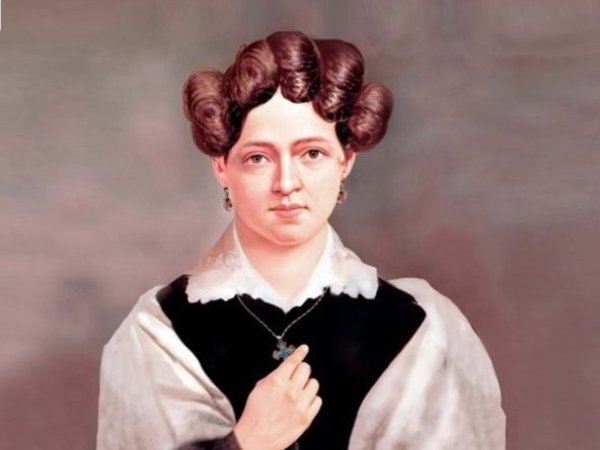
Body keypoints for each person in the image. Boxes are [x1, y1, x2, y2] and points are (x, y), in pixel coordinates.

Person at [97, 31, 505, 450]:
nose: (287, 183)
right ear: (221, 166)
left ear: (346, 160)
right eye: (259, 158)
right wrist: (247, 442)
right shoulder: (157, 331)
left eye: (311, 153)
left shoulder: (422, 328)